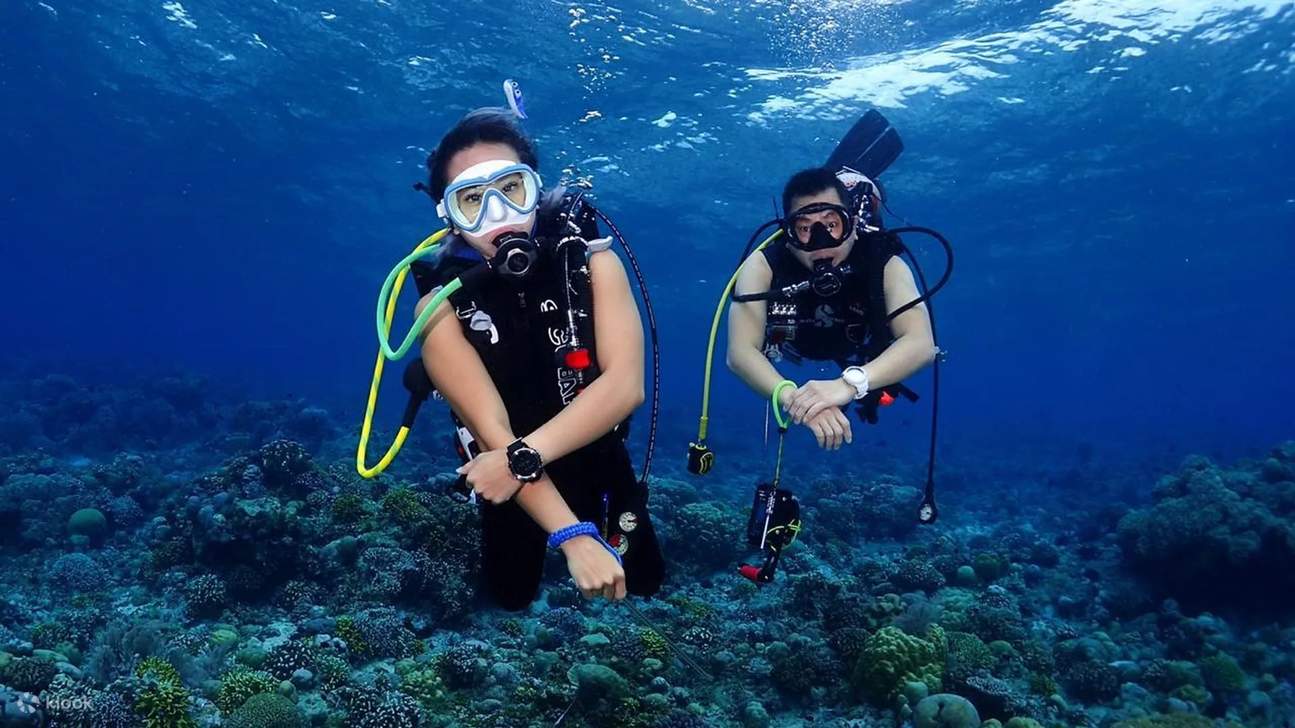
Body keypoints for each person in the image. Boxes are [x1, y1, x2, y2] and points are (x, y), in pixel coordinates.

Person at [408, 108, 665, 610]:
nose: (498, 215)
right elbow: (491, 432)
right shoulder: (436, 308)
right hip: (505, 469)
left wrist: (521, 459)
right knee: (510, 595)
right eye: (472, 201)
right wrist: (572, 537)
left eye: (512, 190)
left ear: (537, 189)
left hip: (591, 450)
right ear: (450, 218)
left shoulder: (593, 261)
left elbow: (626, 385)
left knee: (644, 581)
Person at [726, 166, 938, 450]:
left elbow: (922, 344)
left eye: (831, 224)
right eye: (804, 228)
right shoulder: (764, 264)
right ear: (788, 233)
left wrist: (848, 385)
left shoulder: (883, 262)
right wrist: (793, 397)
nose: (820, 242)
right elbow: (739, 352)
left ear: (851, 224)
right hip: (793, 345)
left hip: (860, 349)